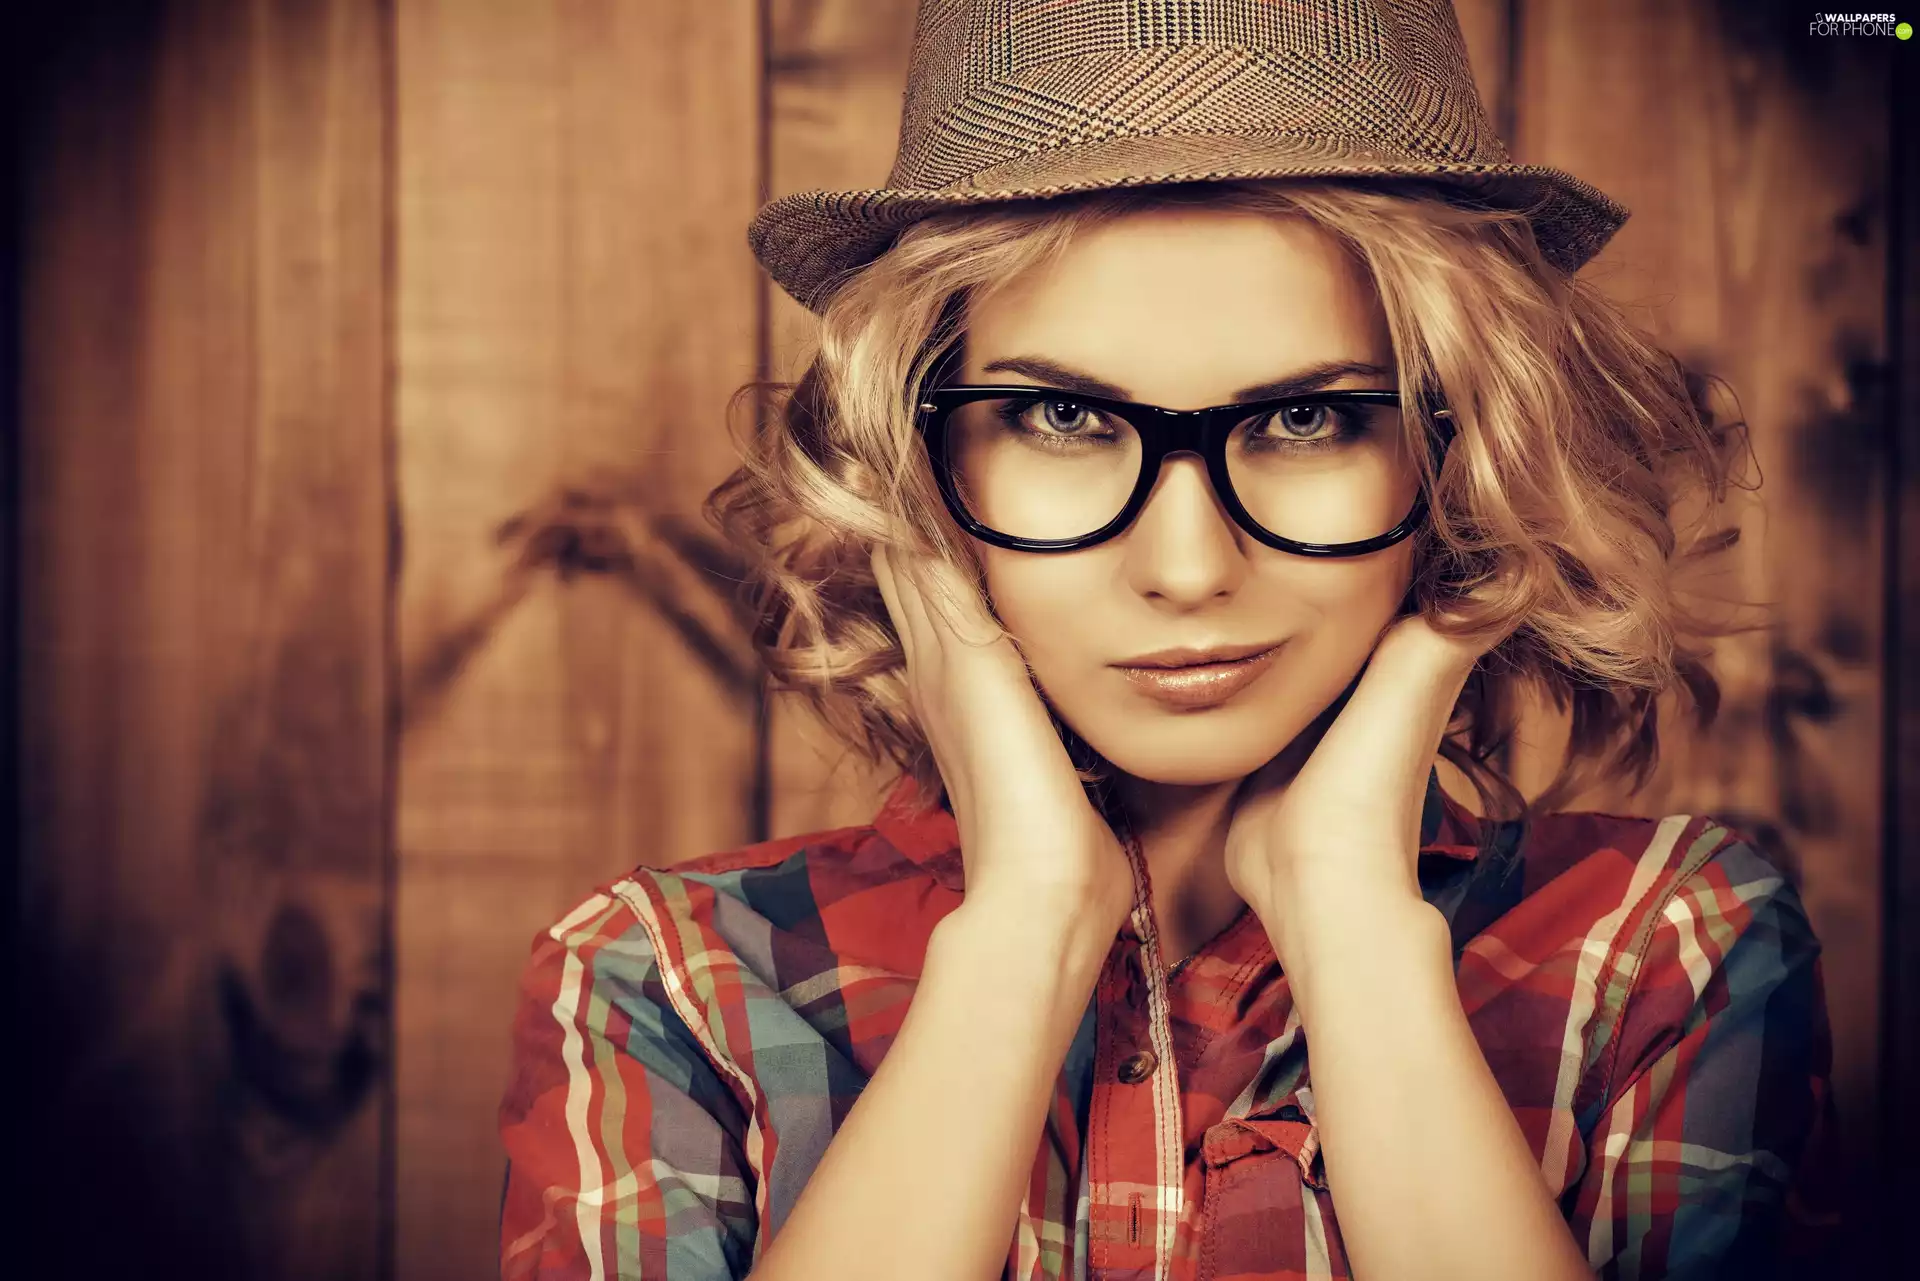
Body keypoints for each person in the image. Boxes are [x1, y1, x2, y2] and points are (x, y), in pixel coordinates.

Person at [497, 2, 1840, 1277]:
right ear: (912, 466)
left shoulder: (1668, 952)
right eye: (1064, 422)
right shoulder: (668, 979)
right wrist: (1028, 922)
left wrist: (1352, 928)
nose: (1190, 570)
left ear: (1462, 452)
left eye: (1308, 420)